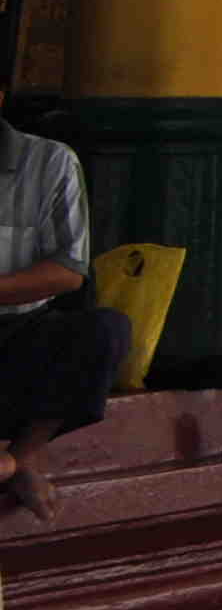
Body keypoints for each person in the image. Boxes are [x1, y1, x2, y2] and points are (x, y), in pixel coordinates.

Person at [0, 115, 125, 520]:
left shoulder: (50, 161)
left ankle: (18, 458)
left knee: (104, 331)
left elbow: (68, 272)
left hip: (17, 333)